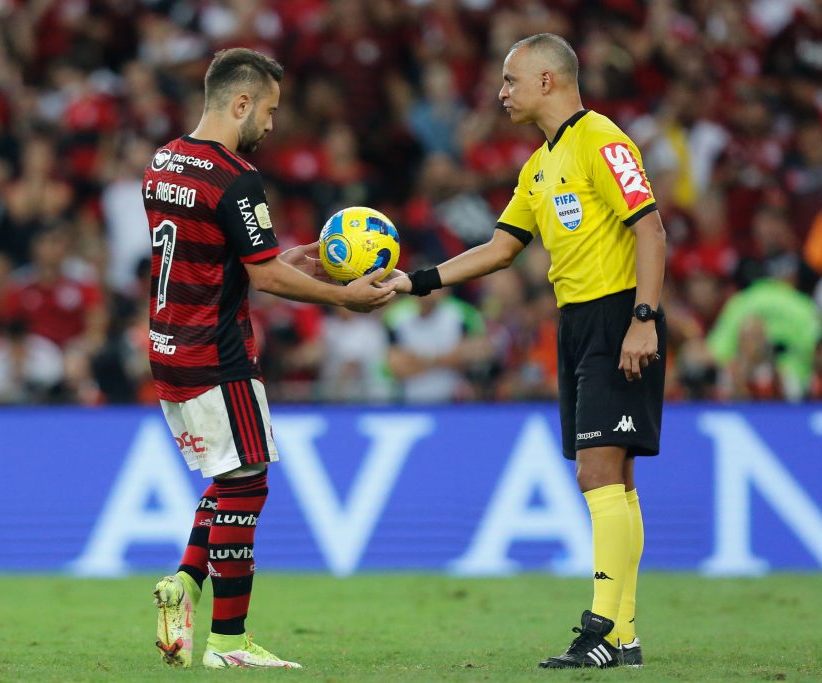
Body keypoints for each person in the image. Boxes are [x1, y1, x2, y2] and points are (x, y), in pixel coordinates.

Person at [393, 33, 666, 669]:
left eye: (511, 80)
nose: (501, 93)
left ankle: (601, 627)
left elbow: (650, 227)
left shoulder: (603, 140)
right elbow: (499, 249)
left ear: (548, 80)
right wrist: (416, 280)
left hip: (619, 313)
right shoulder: (539, 167)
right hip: (577, 325)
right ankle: (623, 638)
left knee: (597, 473)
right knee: (615, 478)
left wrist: (644, 318)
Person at [142, 47, 396, 670]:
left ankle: (183, 583)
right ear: (241, 102)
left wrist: (294, 255)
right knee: (248, 484)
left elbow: (225, 253)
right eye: (271, 110)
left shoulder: (164, 161)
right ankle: (228, 642)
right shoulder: (234, 176)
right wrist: (344, 297)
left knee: (230, 480)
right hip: (217, 353)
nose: (273, 125)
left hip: (169, 345)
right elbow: (263, 277)